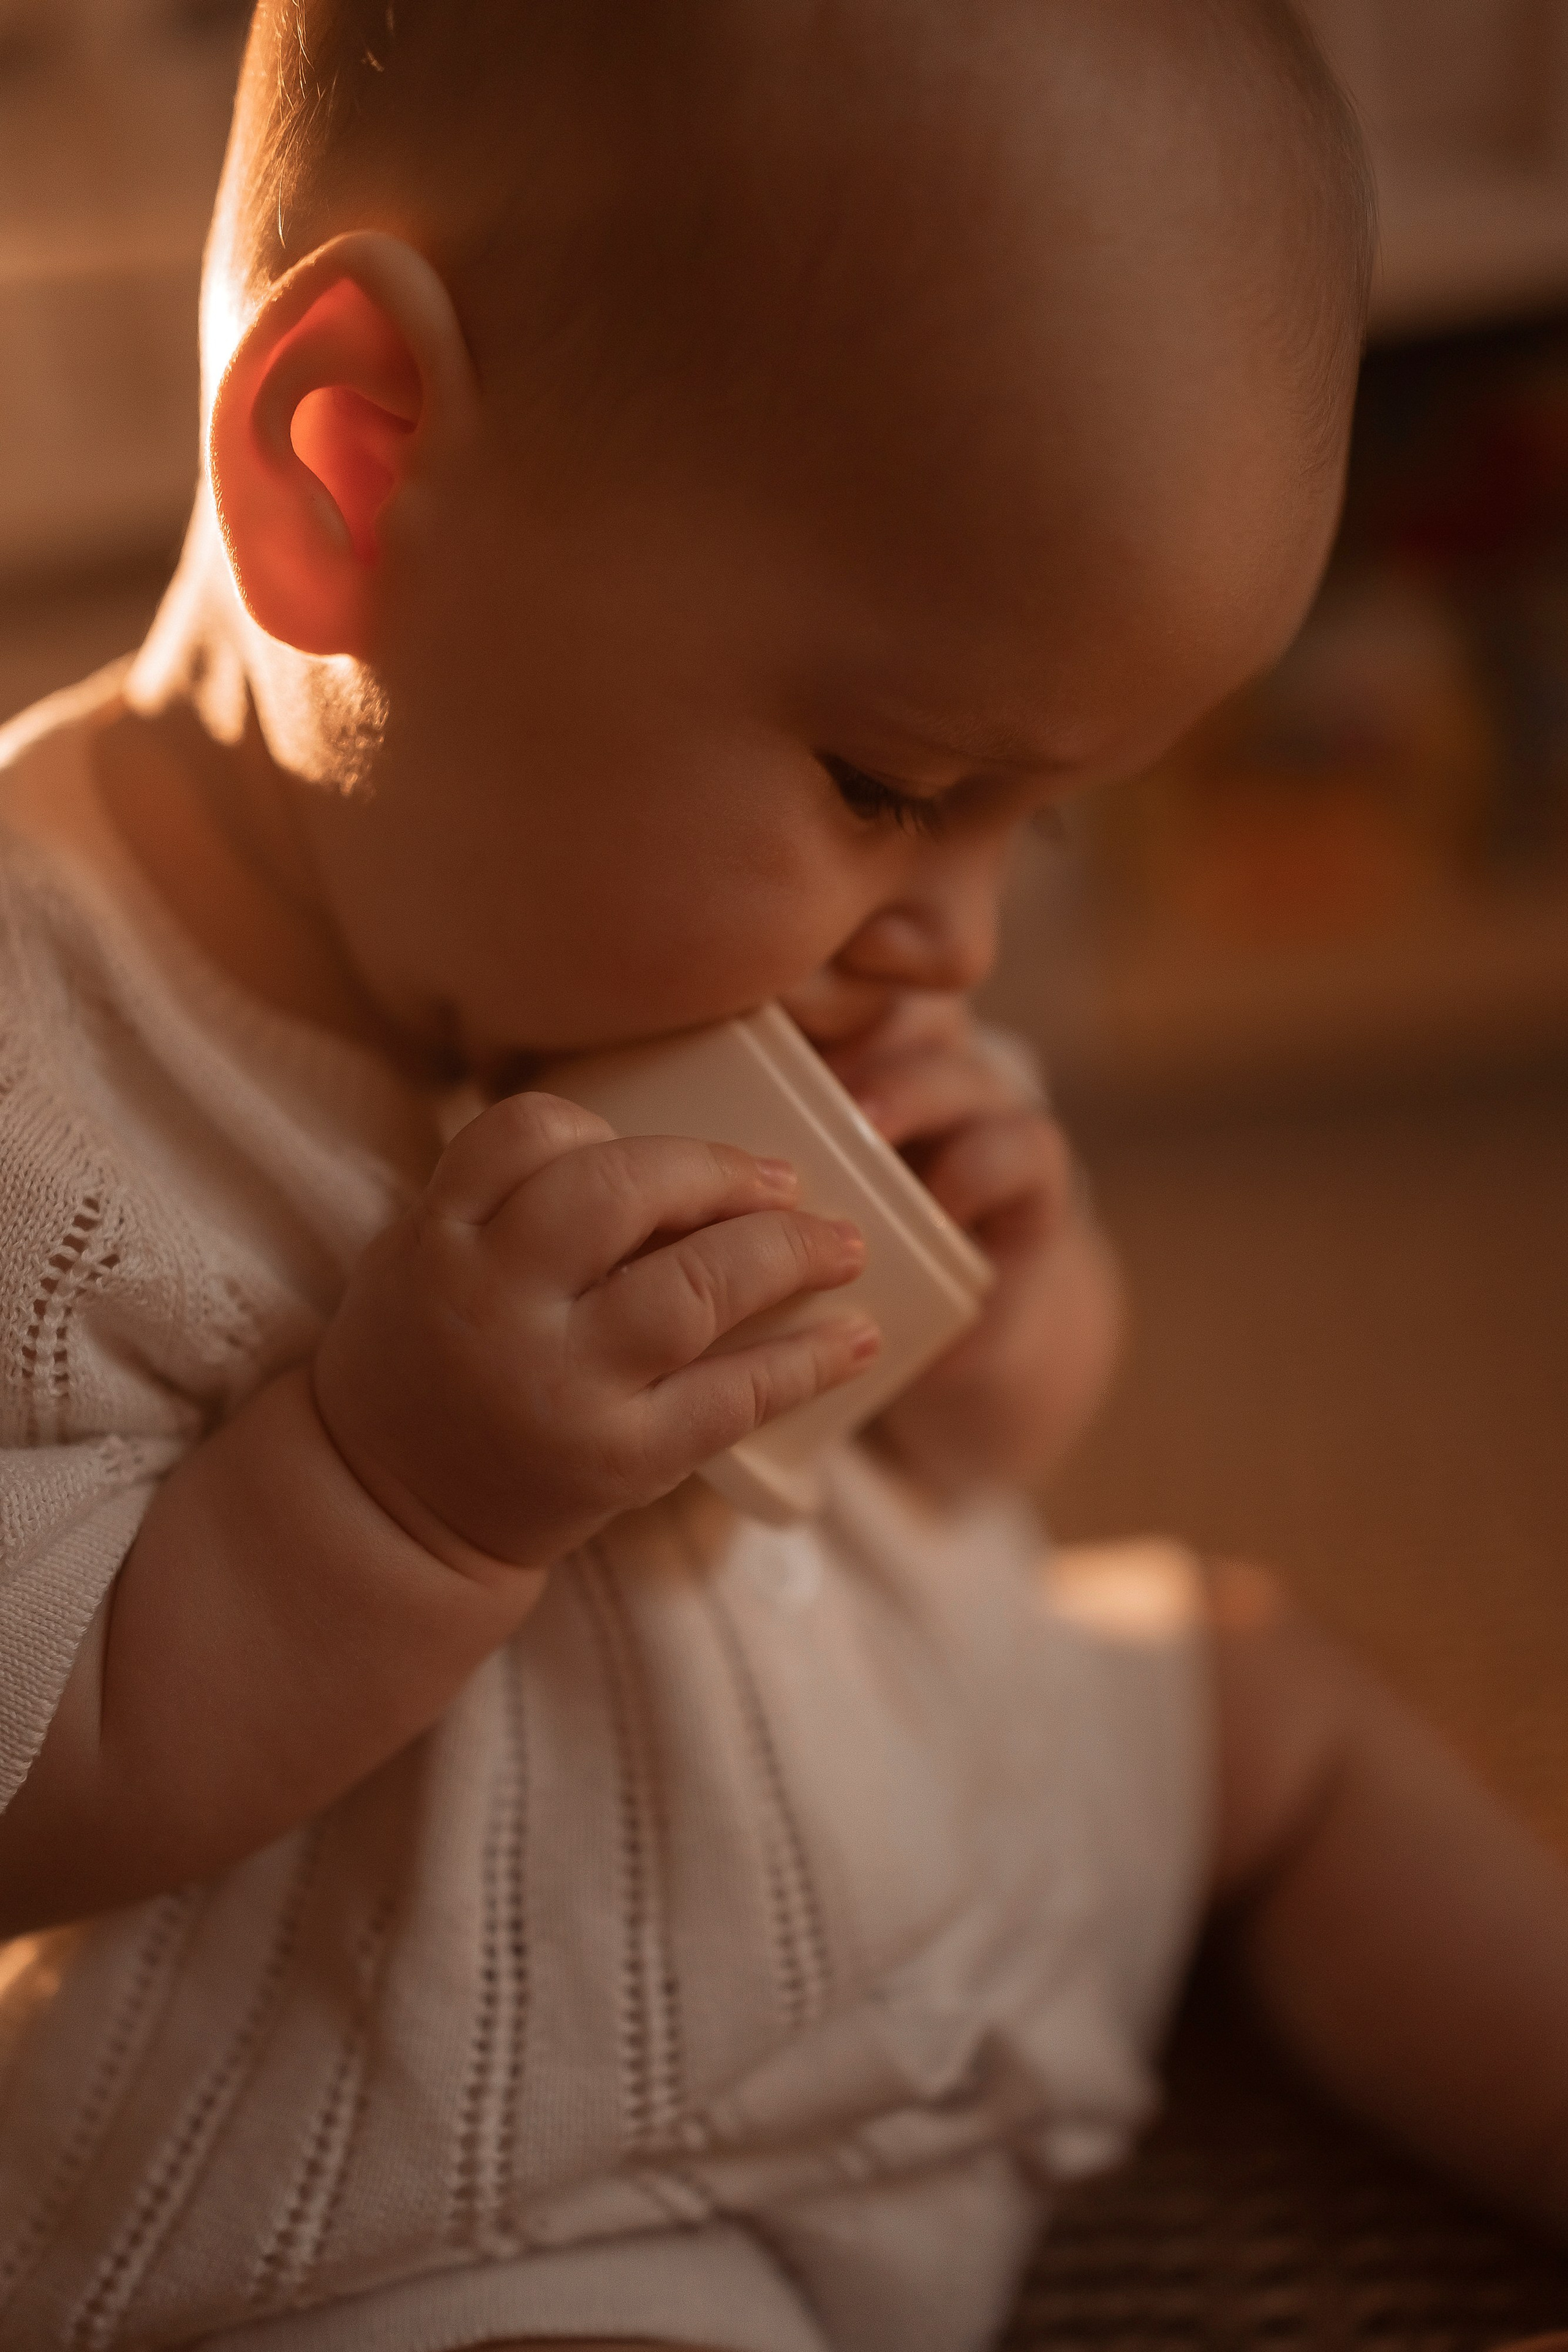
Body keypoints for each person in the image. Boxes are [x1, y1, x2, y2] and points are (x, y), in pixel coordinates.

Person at [2, 4, 1567, 2348]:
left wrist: (1009, 1298)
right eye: (890, 777)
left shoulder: (718, 912)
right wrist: (385, 1498)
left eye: (1051, 813)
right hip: (491, 2175)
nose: (963, 930)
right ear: (353, 463)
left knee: (1257, 1685)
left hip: (931, 1816)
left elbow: (955, 1451)